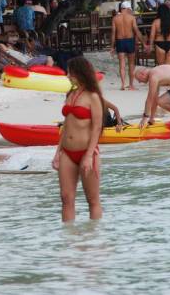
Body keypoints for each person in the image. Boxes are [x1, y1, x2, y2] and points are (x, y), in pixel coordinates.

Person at [52, 56, 104, 222]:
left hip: (87, 152)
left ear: (80, 73)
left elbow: (97, 128)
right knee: (66, 198)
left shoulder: (93, 97)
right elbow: (66, 126)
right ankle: (68, 240)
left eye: (70, 73)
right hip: (67, 152)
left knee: (92, 200)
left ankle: (94, 239)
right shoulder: (71, 94)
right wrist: (57, 152)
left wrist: (89, 155)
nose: (68, 76)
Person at [110, 1, 147, 90]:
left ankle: (122, 85)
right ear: (127, 8)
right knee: (131, 64)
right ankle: (131, 85)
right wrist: (144, 43)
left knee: (122, 64)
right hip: (130, 41)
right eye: (129, 9)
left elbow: (113, 33)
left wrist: (112, 47)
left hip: (120, 41)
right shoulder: (131, 18)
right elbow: (136, 31)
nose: (130, 10)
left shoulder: (115, 18)